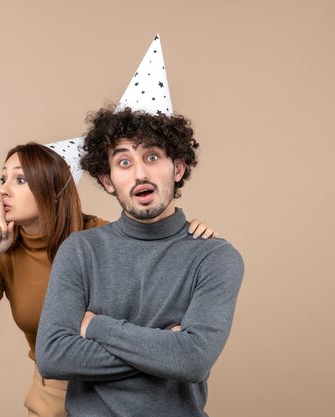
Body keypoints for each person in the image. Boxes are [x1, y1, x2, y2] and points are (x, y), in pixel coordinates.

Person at [0, 142, 218, 417]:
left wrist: (183, 236)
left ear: (52, 188)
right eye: (3, 178)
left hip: (117, 394)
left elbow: (151, 240)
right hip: (50, 396)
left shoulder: (97, 239)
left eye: (20, 179)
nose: (3, 190)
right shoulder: (5, 252)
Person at [35, 107, 244, 417]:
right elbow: (53, 356)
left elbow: (193, 360)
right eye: (123, 162)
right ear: (107, 180)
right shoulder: (79, 250)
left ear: (178, 167)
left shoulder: (215, 258)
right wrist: (165, 351)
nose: (140, 174)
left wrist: (96, 326)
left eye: (152, 157)